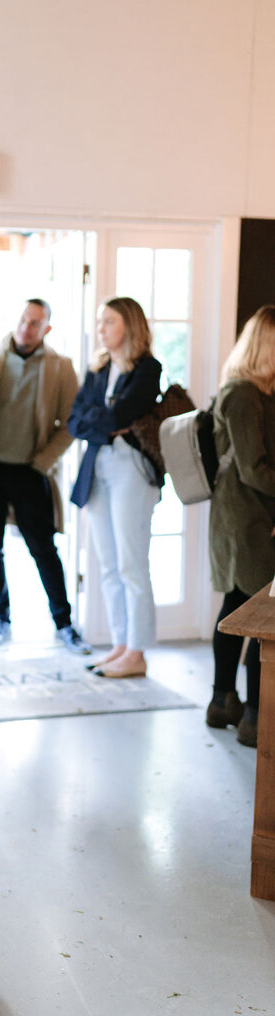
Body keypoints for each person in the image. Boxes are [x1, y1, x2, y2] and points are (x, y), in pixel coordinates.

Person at [0, 299, 90, 653]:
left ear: (46, 328)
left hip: (30, 471)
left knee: (44, 548)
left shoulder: (60, 368)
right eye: (23, 319)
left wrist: (43, 461)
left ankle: (64, 623)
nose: (26, 327)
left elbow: (71, 424)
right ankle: (0, 618)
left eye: (35, 323)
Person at [68, 297, 162, 679]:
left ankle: (137, 652)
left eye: (109, 321)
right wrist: (103, 421)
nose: (101, 328)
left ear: (130, 325)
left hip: (131, 468)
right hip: (98, 466)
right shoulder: (98, 366)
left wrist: (103, 420)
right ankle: (121, 645)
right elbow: (76, 420)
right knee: (107, 563)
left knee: (130, 563)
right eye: (100, 321)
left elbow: (120, 414)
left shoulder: (147, 368)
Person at [206, 305, 275, 748]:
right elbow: (254, 469)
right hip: (250, 520)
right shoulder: (244, 396)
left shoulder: (248, 394)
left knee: (237, 606)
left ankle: (223, 702)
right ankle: (253, 715)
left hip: (240, 519)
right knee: (262, 618)